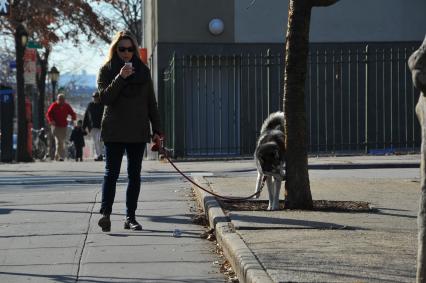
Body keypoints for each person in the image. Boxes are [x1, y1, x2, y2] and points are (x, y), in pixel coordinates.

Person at [96, 30, 161, 232]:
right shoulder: (106, 70)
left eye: (130, 49)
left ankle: (130, 217)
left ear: (134, 50)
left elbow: (151, 102)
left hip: (137, 129)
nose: (126, 53)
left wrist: (157, 130)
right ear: (115, 50)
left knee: (134, 175)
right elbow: (105, 99)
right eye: (122, 49)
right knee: (111, 174)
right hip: (114, 129)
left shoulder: (143, 71)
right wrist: (120, 77)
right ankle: (105, 214)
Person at [46, 93, 77, 161]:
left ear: (64, 100)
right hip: (55, 126)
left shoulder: (66, 106)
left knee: (61, 142)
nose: (61, 101)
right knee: (58, 141)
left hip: (63, 126)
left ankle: (58, 156)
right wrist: (51, 120)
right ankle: (60, 156)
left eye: (62, 99)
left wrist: (73, 119)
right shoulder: (54, 105)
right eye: (60, 99)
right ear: (57, 99)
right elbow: (48, 114)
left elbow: (72, 113)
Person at [83, 91, 105, 161]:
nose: (95, 98)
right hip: (92, 127)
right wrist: (83, 126)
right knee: (95, 141)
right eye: (94, 97)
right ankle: (98, 155)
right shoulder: (90, 105)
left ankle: (100, 154)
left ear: (99, 97)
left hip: (100, 126)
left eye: (96, 97)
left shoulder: (103, 105)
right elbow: (86, 116)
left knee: (99, 141)